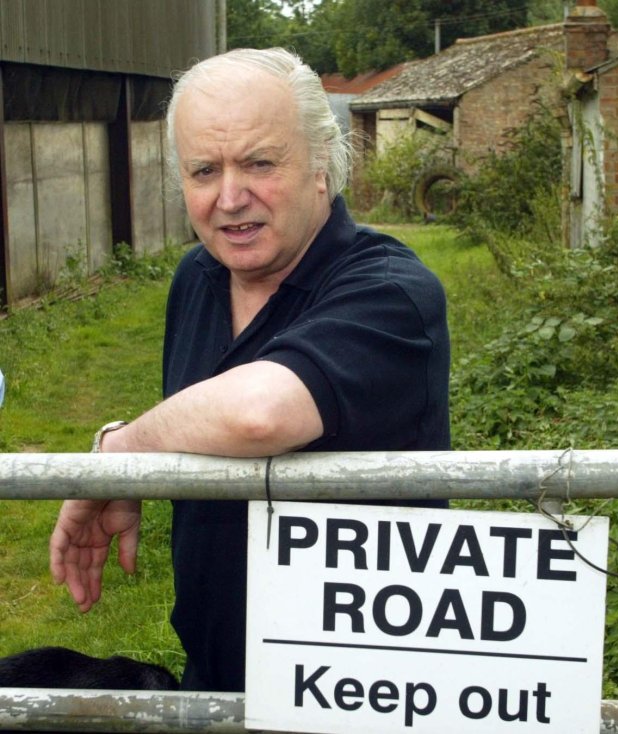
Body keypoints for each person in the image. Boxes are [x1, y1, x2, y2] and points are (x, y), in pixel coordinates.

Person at [48, 48, 450, 693]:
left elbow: (258, 415)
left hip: (358, 695)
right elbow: (199, 424)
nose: (230, 198)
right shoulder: (198, 278)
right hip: (222, 678)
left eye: (260, 163)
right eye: (204, 170)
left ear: (322, 162)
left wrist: (119, 453)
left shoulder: (389, 290)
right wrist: (144, 450)